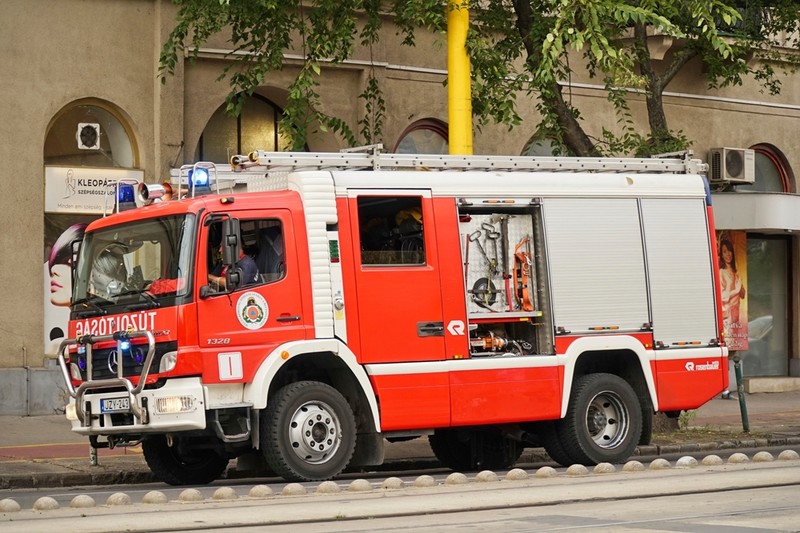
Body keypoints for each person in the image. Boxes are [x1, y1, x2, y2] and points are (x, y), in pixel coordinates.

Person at [719, 238, 746, 399]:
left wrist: (741, 288)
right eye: (724, 251)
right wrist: (736, 289)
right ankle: (724, 389)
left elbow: (741, 295)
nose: (727, 254)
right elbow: (723, 297)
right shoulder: (722, 272)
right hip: (727, 318)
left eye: (729, 251)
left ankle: (726, 388)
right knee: (724, 354)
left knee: (731, 355)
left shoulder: (735, 272)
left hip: (736, 317)